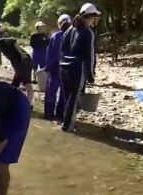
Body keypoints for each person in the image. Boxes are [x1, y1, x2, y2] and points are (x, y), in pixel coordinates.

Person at [60, 3, 100, 132]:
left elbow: (62, 48)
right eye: (94, 18)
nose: (95, 21)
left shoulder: (70, 28)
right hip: (77, 69)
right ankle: (67, 127)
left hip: (63, 67)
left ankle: (65, 122)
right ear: (90, 17)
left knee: (67, 97)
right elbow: (89, 55)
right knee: (73, 98)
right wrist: (91, 75)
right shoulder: (88, 32)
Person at [0, 36, 34, 105]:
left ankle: (29, 104)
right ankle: (12, 101)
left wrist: (21, 52)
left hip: (23, 62)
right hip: (19, 64)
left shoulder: (0, 42)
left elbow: (13, 40)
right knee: (15, 84)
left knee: (27, 82)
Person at [43, 14, 71, 121]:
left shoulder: (56, 36)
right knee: (64, 93)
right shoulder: (74, 35)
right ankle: (60, 115)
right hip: (68, 69)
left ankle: (49, 115)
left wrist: (47, 67)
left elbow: (52, 54)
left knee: (51, 92)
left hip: (55, 68)